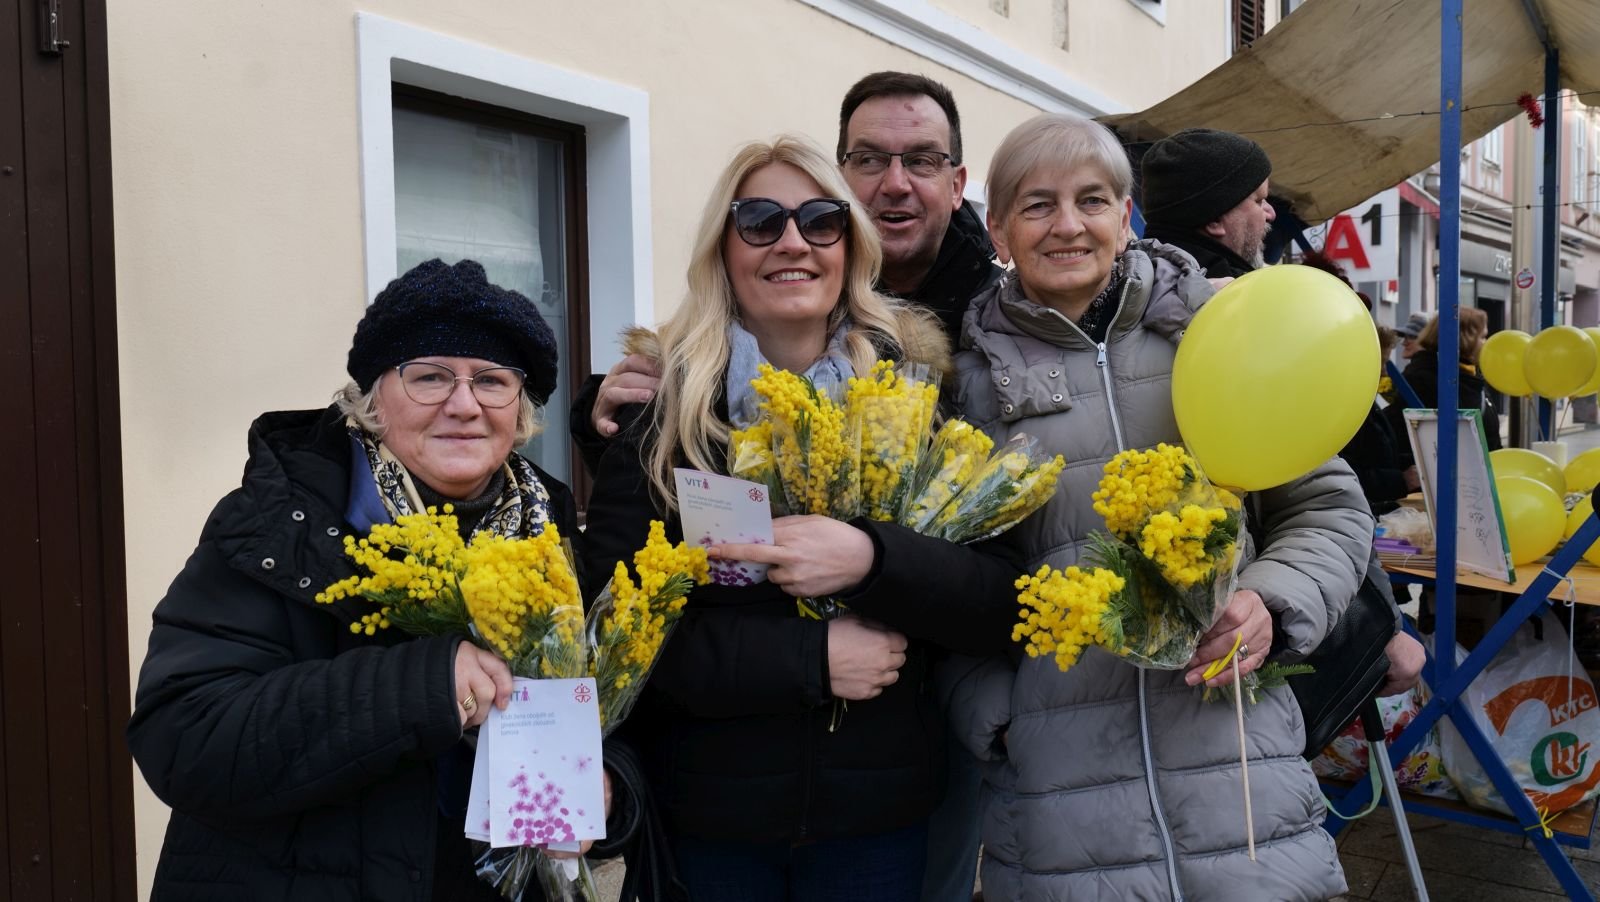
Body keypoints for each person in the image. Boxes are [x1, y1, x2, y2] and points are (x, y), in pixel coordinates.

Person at [579, 71, 1002, 902]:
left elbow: (993, 598)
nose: (791, 242)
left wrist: (871, 558)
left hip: (876, 827)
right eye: (759, 221)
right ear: (724, 250)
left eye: (818, 221)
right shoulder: (667, 418)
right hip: (711, 825)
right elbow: (615, 625)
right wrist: (809, 658)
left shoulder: (917, 401)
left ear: (850, 248)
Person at [946, 113, 1372, 900]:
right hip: (1059, 791)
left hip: (1237, 769)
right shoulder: (964, 388)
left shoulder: (1215, 335)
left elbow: (1331, 509)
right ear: (998, 229)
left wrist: (1271, 601)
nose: (1068, 225)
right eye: (1037, 206)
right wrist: (994, 713)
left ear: (1127, 214)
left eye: (1093, 199)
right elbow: (939, 581)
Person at [126, 259, 646, 901]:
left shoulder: (552, 534)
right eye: (428, 377)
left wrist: (608, 791)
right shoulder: (283, 520)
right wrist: (425, 688)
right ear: (373, 399)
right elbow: (185, 736)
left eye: (491, 380)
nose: (463, 404)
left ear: (521, 409)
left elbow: (612, 716)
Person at [1138, 127, 1276, 279]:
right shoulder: (1235, 297)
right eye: (1259, 201)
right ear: (1214, 220)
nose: (1271, 213)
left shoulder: (1129, 282)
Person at [1388, 307, 1501, 453]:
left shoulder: (1472, 377)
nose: (1485, 343)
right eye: (1482, 337)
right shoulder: (1423, 379)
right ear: (1465, 338)